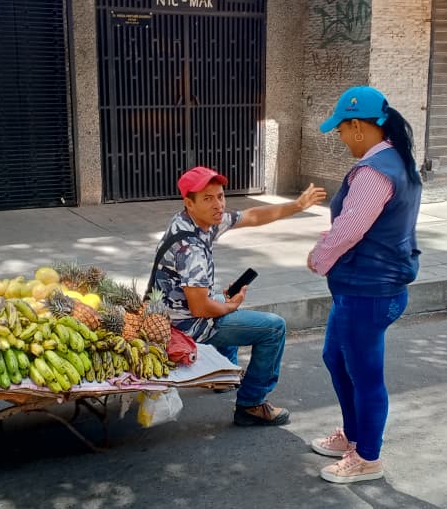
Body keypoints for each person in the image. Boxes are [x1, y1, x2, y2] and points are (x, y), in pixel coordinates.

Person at [306, 86, 422, 484]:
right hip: (363, 286)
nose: (339, 138)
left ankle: (368, 457)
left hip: (370, 290)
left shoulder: (375, 171)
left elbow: (350, 228)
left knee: (365, 373)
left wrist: (319, 257)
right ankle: (353, 436)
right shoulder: (391, 159)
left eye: (340, 130)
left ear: (357, 126)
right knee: (335, 358)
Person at [153, 167, 326, 427]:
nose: (218, 205)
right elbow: (201, 309)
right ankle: (252, 404)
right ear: (189, 202)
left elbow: (252, 216)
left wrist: (298, 205)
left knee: (222, 303)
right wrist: (229, 306)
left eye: (220, 196)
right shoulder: (191, 250)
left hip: (171, 311)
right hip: (185, 325)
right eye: (208, 198)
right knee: (273, 327)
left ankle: (225, 376)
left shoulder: (190, 221)